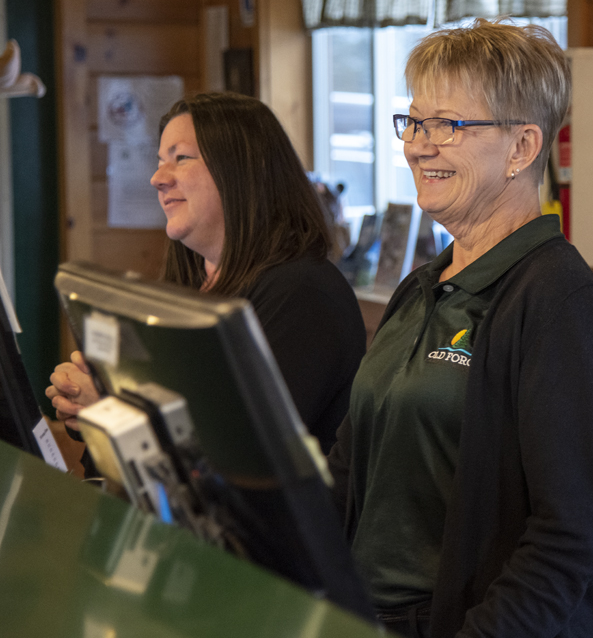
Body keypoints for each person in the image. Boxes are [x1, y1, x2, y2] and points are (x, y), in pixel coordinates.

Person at [328, 19, 593, 638]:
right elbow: (348, 474)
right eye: (413, 122)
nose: (417, 145)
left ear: (522, 148)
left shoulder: (558, 305)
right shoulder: (421, 290)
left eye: (448, 125)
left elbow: (565, 540)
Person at [47, 92, 366, 456]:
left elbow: (238, 452)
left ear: (243, 171)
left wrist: (110, 410)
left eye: (181, 158)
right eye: (160, 161)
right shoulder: (185, 289)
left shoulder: (305, 296)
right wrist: (85, 403)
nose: (157, 178)